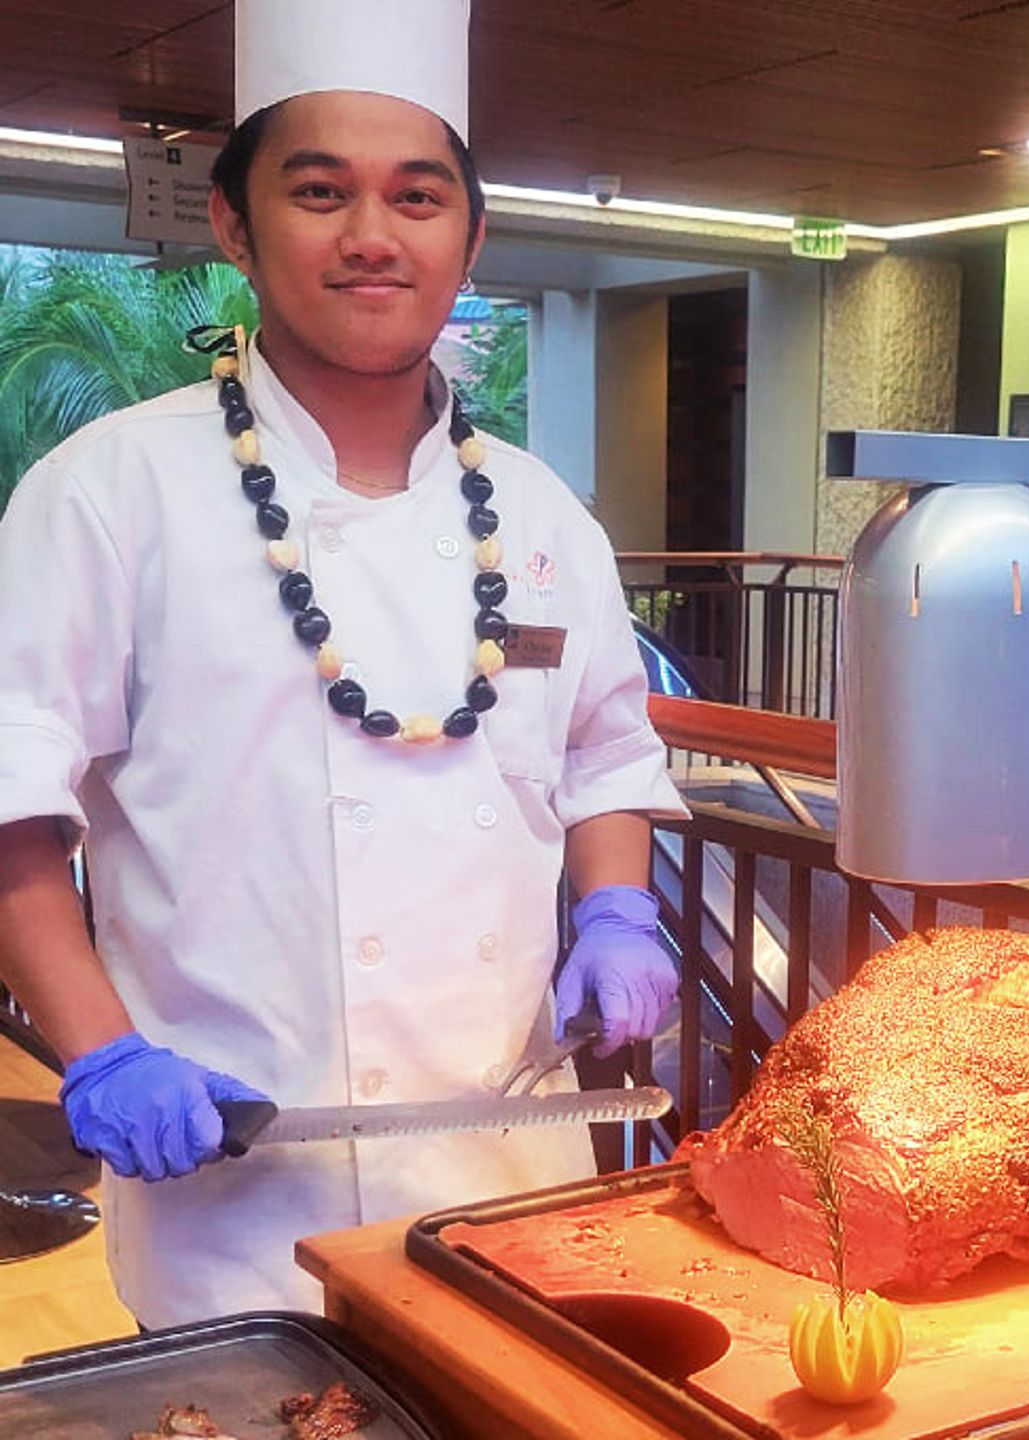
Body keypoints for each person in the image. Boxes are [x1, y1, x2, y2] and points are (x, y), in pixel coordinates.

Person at [0, 0, 685, 1328]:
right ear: (235, 225)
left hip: (509, 1178)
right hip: (237, 1193)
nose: (374, 235)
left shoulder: (543, 515)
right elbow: (15, 802)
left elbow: (608, 754)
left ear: (472, 235)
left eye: (417, 196)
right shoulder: (107, 491)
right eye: (321, 192)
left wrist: (616, 912)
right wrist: (100, 1054)